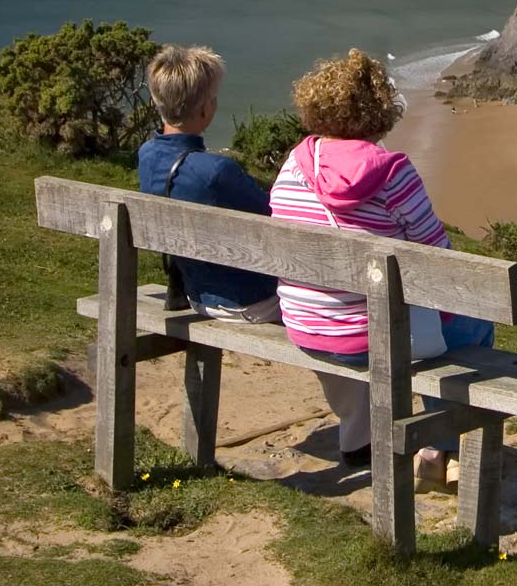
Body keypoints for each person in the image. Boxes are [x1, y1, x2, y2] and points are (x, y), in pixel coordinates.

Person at [270, 48, 492, 484]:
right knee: (474, 326)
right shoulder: (393, 173)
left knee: (381, 316)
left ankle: (383, 441)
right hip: (373, 334)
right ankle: (439, 449)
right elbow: (438, 261)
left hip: (307, 323)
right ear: (380, 112)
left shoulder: (292, 166)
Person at [137, 45, 280, 323]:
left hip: (196, 293)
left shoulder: (147, 156)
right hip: (247, 301)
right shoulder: (216, 172)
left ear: (157, 100)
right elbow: (275, 215)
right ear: (205, 110)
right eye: (213, 98)